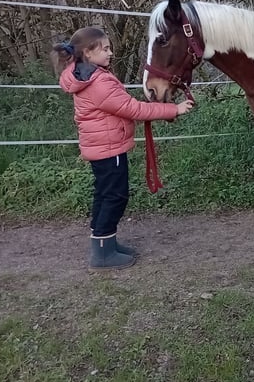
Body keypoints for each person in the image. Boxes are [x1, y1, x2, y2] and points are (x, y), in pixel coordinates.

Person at [53, 26, 194, 270]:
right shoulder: (97, 83)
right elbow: (134, 109)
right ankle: (103, 254)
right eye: (105, 49)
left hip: (104, 147)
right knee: (115, 196)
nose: (110, 53)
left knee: (105, 194)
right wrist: (174, 109)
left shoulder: (88, 75)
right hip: (108, 149)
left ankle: (105, 244)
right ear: (88, 52)